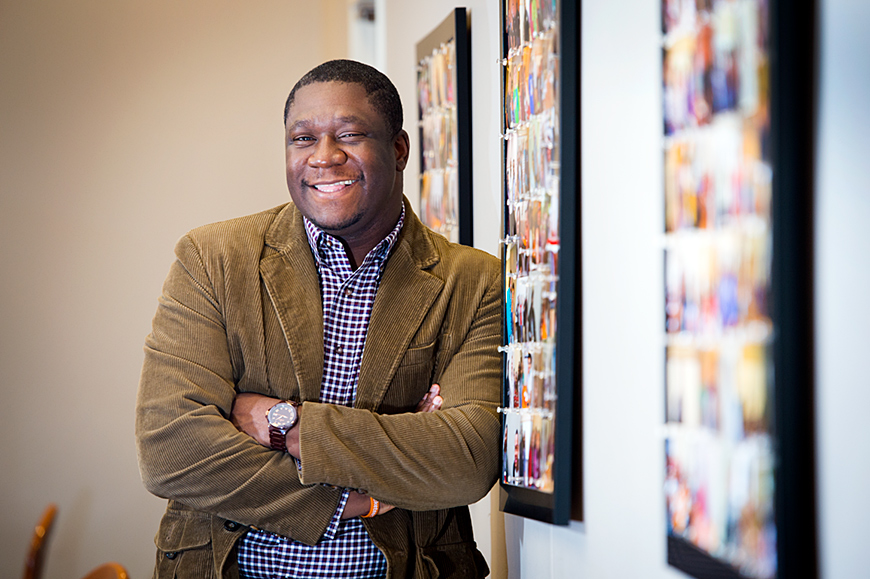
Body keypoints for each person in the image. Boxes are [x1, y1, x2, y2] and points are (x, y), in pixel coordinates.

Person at [135, 59, 502, 579]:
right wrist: (353, 498)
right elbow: (171, 448)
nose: (324, 158)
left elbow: (466, 460)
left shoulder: (474, 281)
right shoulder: (213, 259)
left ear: (398, 149)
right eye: (302, 139)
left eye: (349, 135)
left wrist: (285, 425)